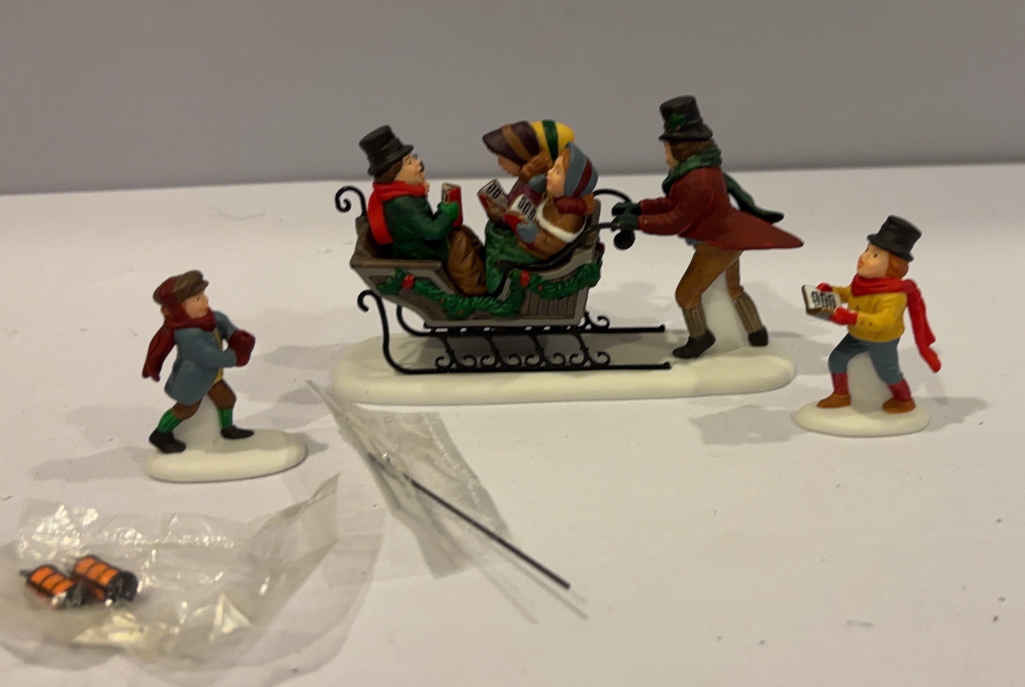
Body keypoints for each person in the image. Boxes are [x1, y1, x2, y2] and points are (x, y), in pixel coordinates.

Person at [611, 96, 802, 359]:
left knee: (686, 294)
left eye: (667, 149)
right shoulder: (699, 171)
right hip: (730, 236)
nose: (665, 156)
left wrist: (637, 222)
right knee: (733, 288)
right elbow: (673, 204)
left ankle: (700, 337)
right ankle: (756, 331)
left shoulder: (696, 180)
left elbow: (676, 219)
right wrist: (639, 208)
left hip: (717, 243)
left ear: (682, 149)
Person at [816, 216, 941, 413]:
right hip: (858, 334)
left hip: (882, 339)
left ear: (893, 266)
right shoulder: (862, 282)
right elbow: (850, 293)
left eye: (874, 255)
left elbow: (884, 322)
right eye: (867, 250)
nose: (864, 257)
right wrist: (832, 291)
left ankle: (904, 399)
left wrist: (851, 317)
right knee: (836, 359)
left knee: (888, 372)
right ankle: (841, 394)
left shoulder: (894, 295)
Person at [359, 125, 486, 295]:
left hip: (420, 244)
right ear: (394, 173)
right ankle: (474, 288)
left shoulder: (404, 194)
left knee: (463, 232)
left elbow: (425, 223)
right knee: (459, 241)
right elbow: (433, 231)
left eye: (414, 158)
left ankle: (483, 270)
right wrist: (446, 212)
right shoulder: (402, 203)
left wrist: (443, 210)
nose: (418, 163)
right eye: (409, 162)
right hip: (417, 253)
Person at [142, 270, 255, 453]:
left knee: (227, 398)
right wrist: (236, 357)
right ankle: (160, 434)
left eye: (203, 295)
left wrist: (237, 337)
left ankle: (227, 428)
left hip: (212, 377)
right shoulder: (187, 334)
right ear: (179, 309)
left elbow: (227, 327)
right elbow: (209, 357)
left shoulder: (213, 318)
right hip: (191, 380)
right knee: (185, 410)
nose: (205, 300)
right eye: (197, 299)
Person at [480, 120, 576, 291]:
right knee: (493, 230)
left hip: (532, 247)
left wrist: (502, 216)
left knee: (497, 242)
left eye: (503, 158)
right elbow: (517, 203)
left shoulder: (538, 184)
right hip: (529, 236)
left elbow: (524, 214)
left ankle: (498, 288)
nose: (500, 163)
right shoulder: (529, 179)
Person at [500, 142, 598, 261]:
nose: (549, 172)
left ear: (570, 186)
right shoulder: (558, 196)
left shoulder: (568, 217)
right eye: (553, 167)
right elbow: (544, 201)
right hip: (534, 226)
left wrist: (534, 236)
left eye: (557, 171)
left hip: (542, 253)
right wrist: (537, 190)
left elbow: (553, 246)